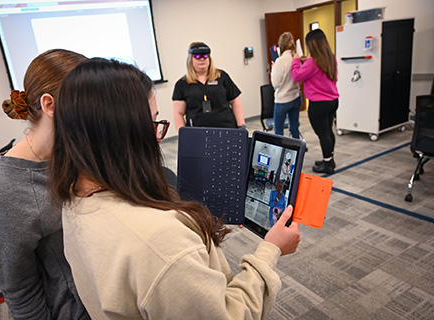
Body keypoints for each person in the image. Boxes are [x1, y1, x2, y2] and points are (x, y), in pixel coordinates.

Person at [51, 58, 301, 319]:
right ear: (126, 134)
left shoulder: (74, 197)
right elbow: (231, 314)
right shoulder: (162, 245)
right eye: (153, 124)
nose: (157, 138)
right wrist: (270, 250)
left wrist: (193, 219)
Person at [0, 49, 90, 320]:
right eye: (87, 103)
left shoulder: (74, 153)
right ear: (49, 105)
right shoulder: (4, 194)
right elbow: (22, 297)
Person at [291, 29, 339, 174]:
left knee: (323, 133)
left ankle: (327, 164)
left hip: (318, 104)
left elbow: (296, 76)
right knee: (328, 131)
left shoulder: (312, 62)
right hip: (333, 101)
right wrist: (304, 62)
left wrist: (295, 60)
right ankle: (329, 158)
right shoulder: (331, 57)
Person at [172, 42, 246, 132]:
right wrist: (182, 134)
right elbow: (178, 113)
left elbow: (235, 101)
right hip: (198, 132)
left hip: (227, 128)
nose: (202, 59)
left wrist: (241, 126)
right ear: (190, 59)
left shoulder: (221, 76)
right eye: (198, 56)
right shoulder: (182, 84)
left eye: (205, 56)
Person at [270, 32, 302, 138]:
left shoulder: (280, 60)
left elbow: (275, 83)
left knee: (278, 131)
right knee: (294, 128)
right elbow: (299, 78)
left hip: (282, 101)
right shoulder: (297, 58)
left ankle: (281, 154)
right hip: (296, 97)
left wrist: (273, 69)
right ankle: (297, 151)